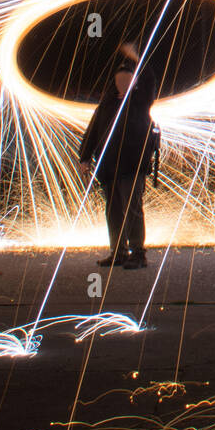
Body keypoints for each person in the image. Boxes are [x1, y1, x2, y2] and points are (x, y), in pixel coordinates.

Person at [78, 42, 158, 269]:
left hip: (132, 165)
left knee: (132, 208)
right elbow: (93, 130)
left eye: (127, 79)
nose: (121, 82)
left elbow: (150, 79)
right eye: (119, 79)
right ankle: (119, 251)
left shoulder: (140, 101)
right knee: (113, 210)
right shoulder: (107, 104)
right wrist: (84, 157)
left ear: (134, 81)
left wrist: (137, 58)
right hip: (109, 166)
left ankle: (138, 253)